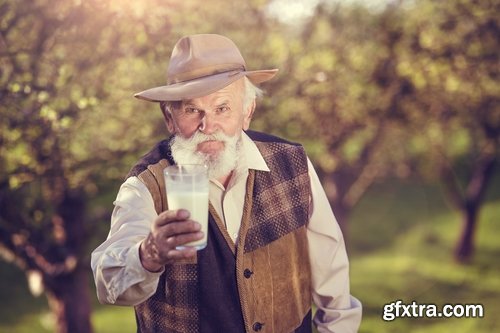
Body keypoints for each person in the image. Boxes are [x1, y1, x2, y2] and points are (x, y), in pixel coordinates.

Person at [91, 33, 362, 333]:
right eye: (192, 110)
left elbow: (334, 286)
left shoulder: (292, 163)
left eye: (222, 108)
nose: (208, 127)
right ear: (169, 117)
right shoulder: (146, 184)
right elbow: (107, 281)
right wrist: (149, 254)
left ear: (247, 112)